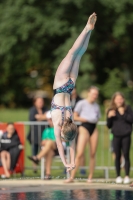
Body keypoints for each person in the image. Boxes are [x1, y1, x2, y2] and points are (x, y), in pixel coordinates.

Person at [51, 13, 97, 172]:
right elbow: (61, 145)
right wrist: (65, 163)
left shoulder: (71, 123)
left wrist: (71, 163)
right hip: (60, 84)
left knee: (79, 54)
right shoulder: (58, 124)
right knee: (72, 52)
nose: (63, 139)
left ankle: (89, 31)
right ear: (63, 132)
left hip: (70, 85)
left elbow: (71, 144)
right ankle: (86, 28)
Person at [65, 86, 100, 183]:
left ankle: (90, 177)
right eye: (93, 94)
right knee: (79, 153)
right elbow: (74, 116)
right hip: (84, 127)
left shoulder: (96, 106)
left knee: (92, 153)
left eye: (96, 95)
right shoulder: (81, 103)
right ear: (89, 93)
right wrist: (84, 119)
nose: (94, 96)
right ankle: (71, 177)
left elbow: (97, 117)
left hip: (94, 127)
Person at [106, 92, 133, 184]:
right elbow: (108, 125)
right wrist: (109, 117)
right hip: (116, 135)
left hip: (126, 135)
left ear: (123, 100)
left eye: (121, 99)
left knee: (126, 155)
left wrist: (123, 114)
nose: (119, 101)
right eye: (117, 99)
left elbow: (131, 119)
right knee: (117, 155)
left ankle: (127, 176)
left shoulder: (128, 108)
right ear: (114, 100)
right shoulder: (111, 110)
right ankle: (118, 176)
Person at [28, 111, 60, 179]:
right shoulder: (46, 130)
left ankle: (37, 157)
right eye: (49, 119)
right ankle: (48, 174)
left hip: (59, 148)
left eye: (51, 119)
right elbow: (42, 142)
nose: (50, 121)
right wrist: (47, 141)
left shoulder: (59, 128)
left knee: (49, 142)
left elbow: (62, 140)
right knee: (49, 151)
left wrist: (49, 141)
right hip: (51, 149)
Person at [27, 96, 48, 172]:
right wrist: (44, 117)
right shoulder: (32, 110)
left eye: (42, 101)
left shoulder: (46, 109)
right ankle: (34, 168)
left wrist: (39, 117)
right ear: (35, 102)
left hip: (45, 134)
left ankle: (45, 169)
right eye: (39, 102)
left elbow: (49, 117)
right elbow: (32, 119)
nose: (41, 103)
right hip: (34, 135)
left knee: (44, 151)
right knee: (34, 151)